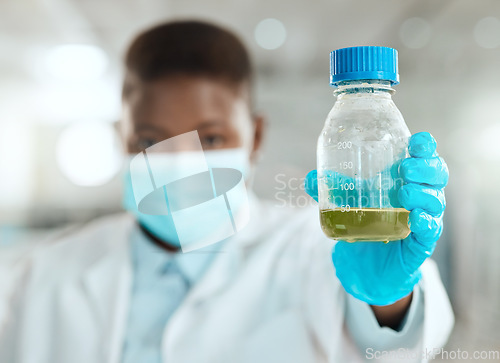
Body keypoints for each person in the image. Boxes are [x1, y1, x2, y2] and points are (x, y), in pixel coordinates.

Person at [0, 20, 453, 363]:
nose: (182, 163)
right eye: (150, 142)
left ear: (255, 137)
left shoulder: (314, 248)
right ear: (121, 139)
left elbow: (402, 347)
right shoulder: (44, 274)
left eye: (211, 139)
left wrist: (387, 299)